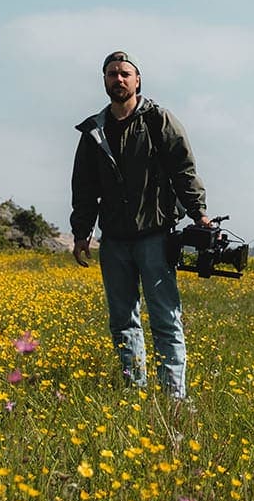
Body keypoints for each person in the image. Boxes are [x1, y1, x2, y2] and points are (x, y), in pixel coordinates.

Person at [70, 51, 212, 400]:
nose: (118, 79)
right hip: (114, 241)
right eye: (112, 74)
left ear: (137, 81)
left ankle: (173, 397)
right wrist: (81, 233)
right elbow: (84, 189)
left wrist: (200, 214)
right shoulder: (93, 131)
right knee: (122, 322)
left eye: (125, 74)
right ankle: (135, 391)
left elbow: (184, 170)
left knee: (165, 318)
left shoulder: (158, 121)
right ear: (104, 81)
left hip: (155, 236)